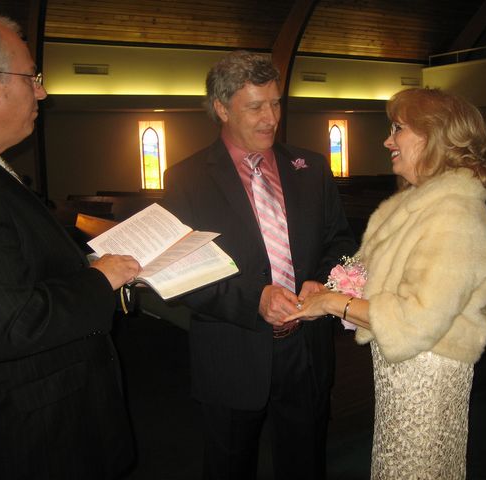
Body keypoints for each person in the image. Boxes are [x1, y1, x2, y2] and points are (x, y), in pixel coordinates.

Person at [286, 88, 486, 479]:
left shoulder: (453, 213)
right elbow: (375, 275)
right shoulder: (414, 204)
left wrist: (332, 303)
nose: (388, 141)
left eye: (398, 129)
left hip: (427, 375)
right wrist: (331, 288)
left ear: (433, 136)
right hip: (400, 372)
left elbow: (416, 319)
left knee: (416, 467)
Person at [162, 50, 356, 479]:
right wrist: (255, 299)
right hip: (232, 351)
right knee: (229, 466)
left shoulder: (310, 167)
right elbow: (183, 274)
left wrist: (320, 282)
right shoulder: (186, 179)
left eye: (276, 103)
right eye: (255, 107)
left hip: (306, 348)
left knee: (305, 464)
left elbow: (339, 240)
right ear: (221, 109)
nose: (271, 118)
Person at [0, 13, 141, 480]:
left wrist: (91, 264)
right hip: (35, 432)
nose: (42, 93)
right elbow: (14, 323)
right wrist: (98, 279)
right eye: (31, 77)